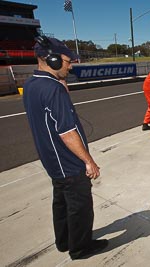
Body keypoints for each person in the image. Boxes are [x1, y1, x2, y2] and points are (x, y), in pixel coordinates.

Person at [22, 36, 108, 260]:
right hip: (69, 162)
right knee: (80, 207)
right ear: (51, 59)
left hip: (51, 160)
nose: (71, 65)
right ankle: (81, 248)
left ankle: (64, 241)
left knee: (60, 203)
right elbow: (67, 132)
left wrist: (61, 81)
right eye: (67, 61)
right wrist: (88, 161)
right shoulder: (53, 90)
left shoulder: (32, 84)